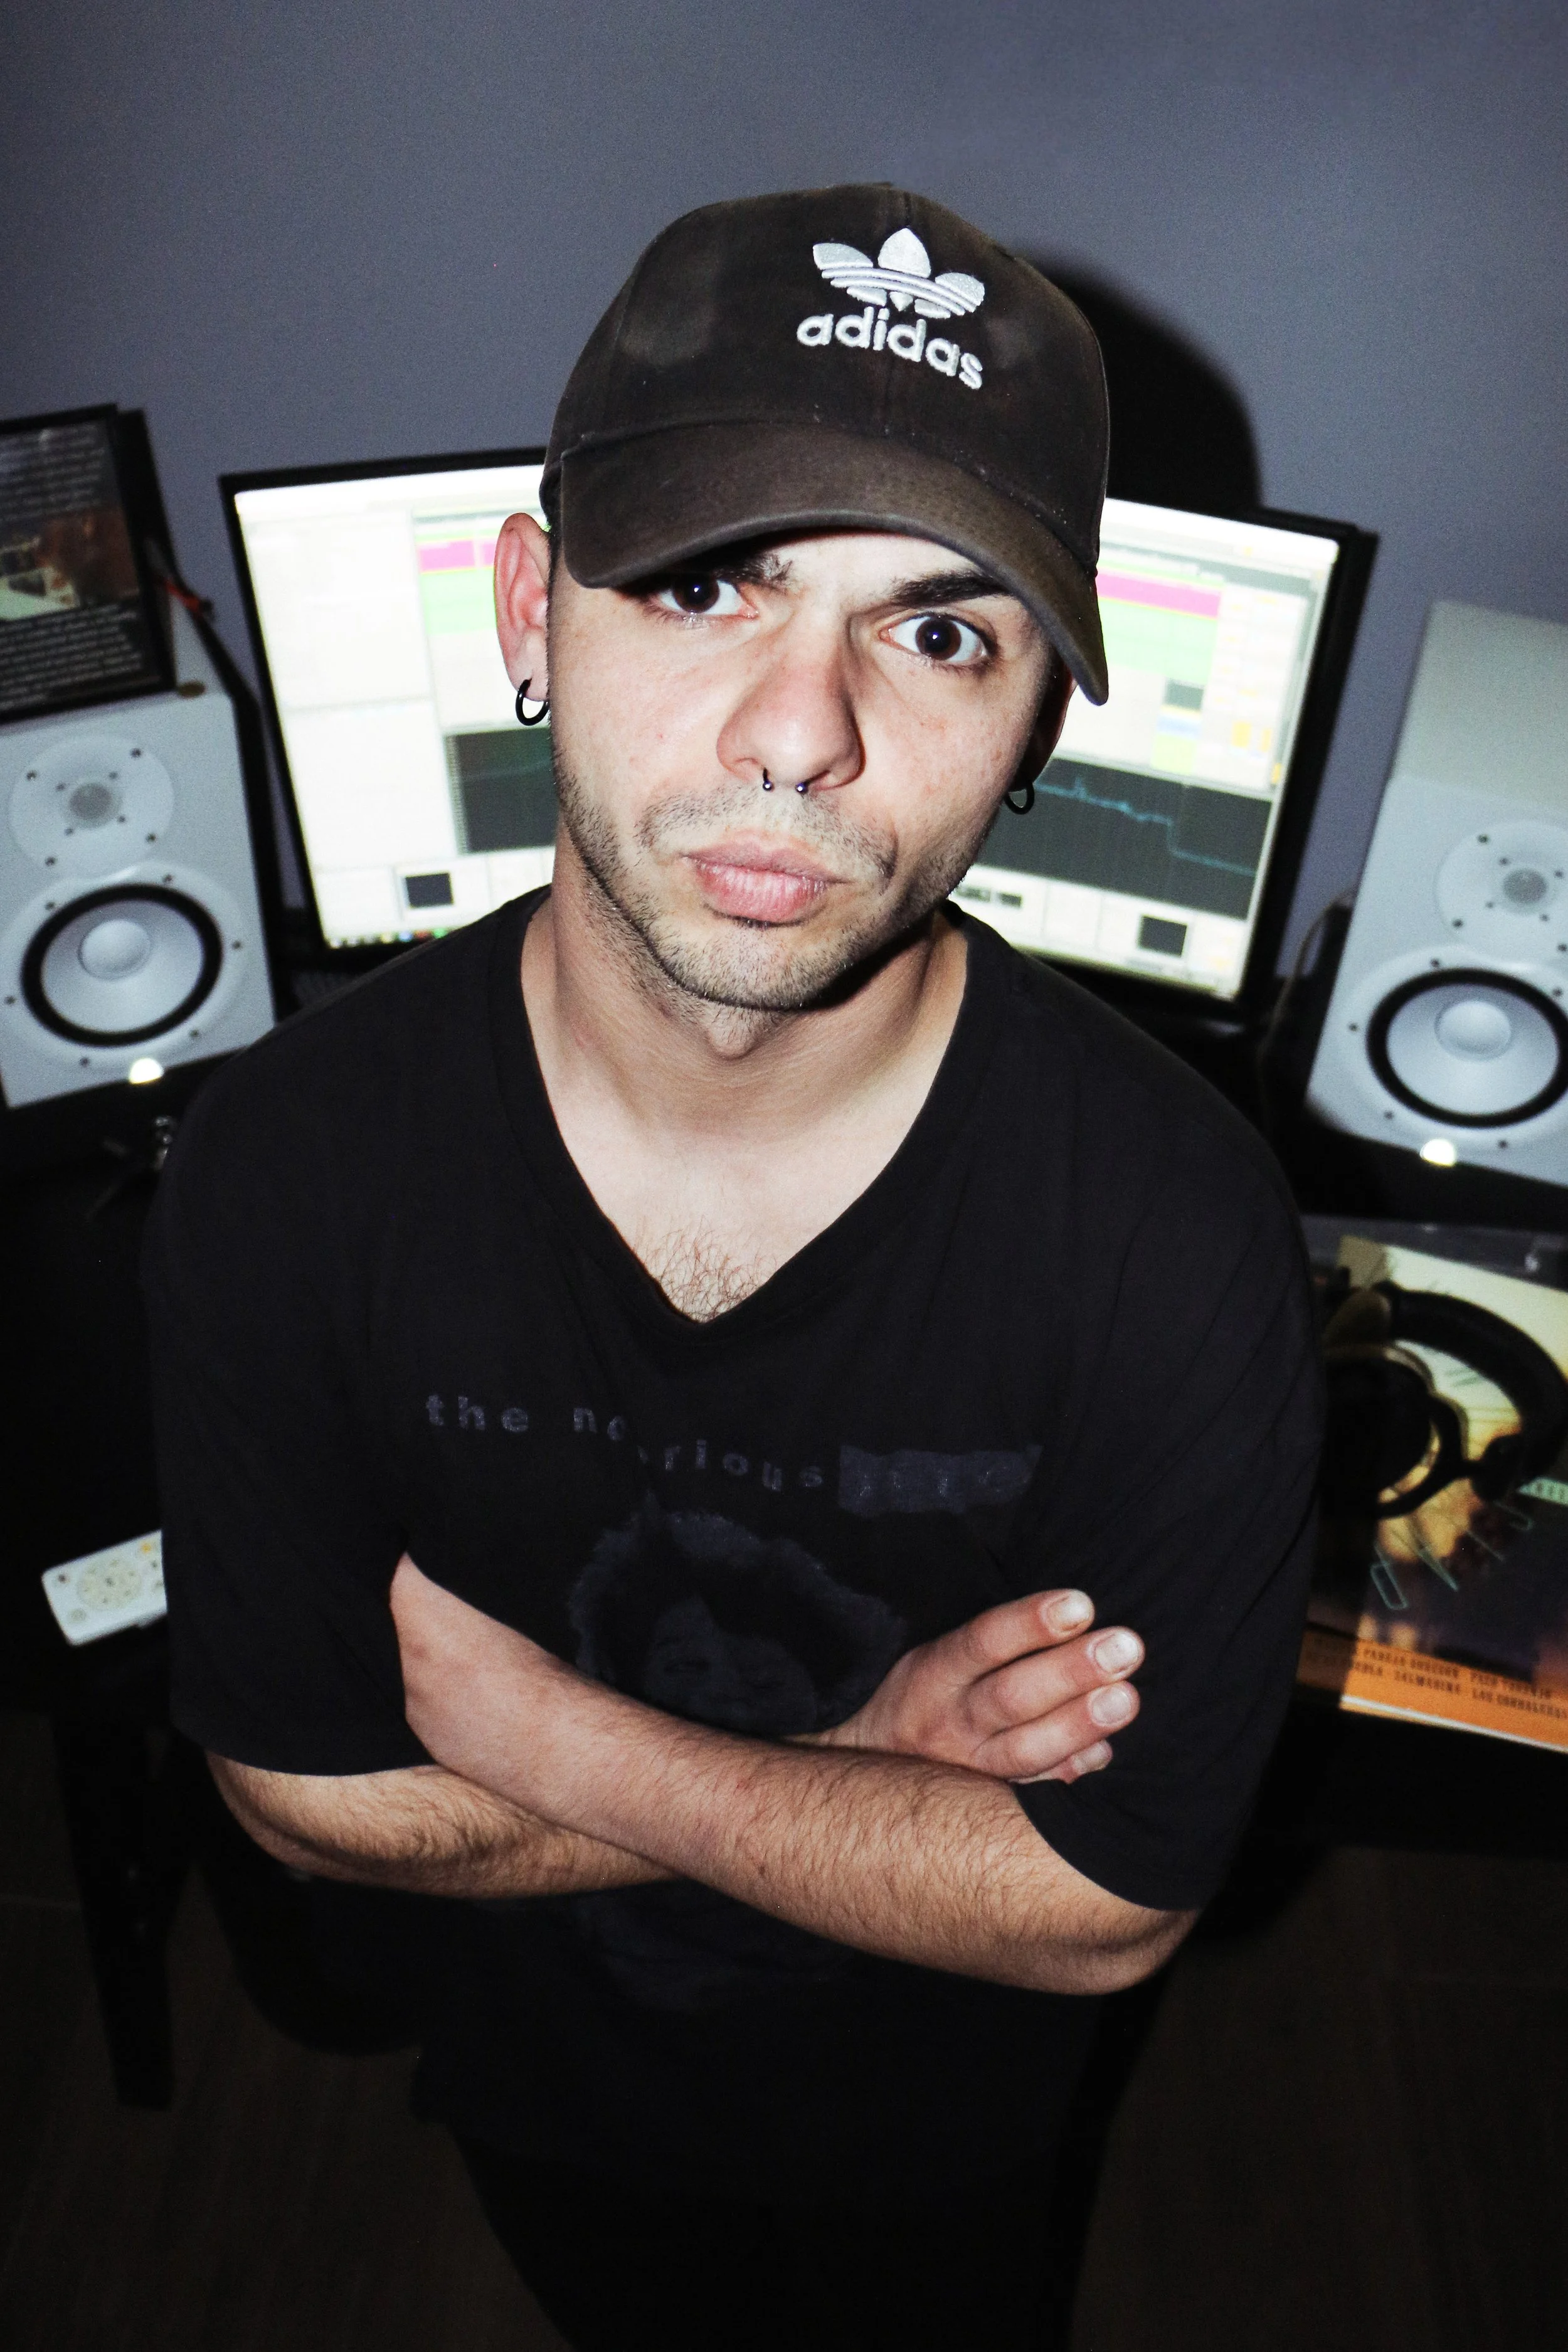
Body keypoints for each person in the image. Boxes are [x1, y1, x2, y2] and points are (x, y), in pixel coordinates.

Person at [145, 185, 1320, 2351]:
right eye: (707, 583)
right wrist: (871, 1760)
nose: (800, 733)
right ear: (530, 607)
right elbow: (300, 1800)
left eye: (941, 635)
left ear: (1040, 727)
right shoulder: (291, 1167)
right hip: (552, 2085)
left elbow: (1101, 1910)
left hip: (948, 2123)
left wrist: (558, 1744)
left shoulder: (1169, 1235)